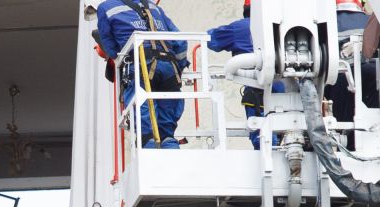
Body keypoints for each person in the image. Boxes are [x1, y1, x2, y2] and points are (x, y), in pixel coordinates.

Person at [95, 0, 189, 149]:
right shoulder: (154, 7)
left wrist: (122, 60)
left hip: (140, 65)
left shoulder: (106, 7)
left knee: (145, 128)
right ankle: (169, 143)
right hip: (169, 67)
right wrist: (179, 66)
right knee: (167, 132)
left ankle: (148, 144)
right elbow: (180, 41)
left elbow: (110, 47)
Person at [207, 0, 286, 149]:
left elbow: (211, 40)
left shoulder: (241, 27)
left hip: (257, 91)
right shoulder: (281, 27)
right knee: (287, 134)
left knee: (262, 136)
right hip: (286, 92)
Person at [325, 0, 378, 124]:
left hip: (342, 78)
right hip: (374, 73)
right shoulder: (371, 20)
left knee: (346, 127)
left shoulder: (327, 23)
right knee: (376, 120)